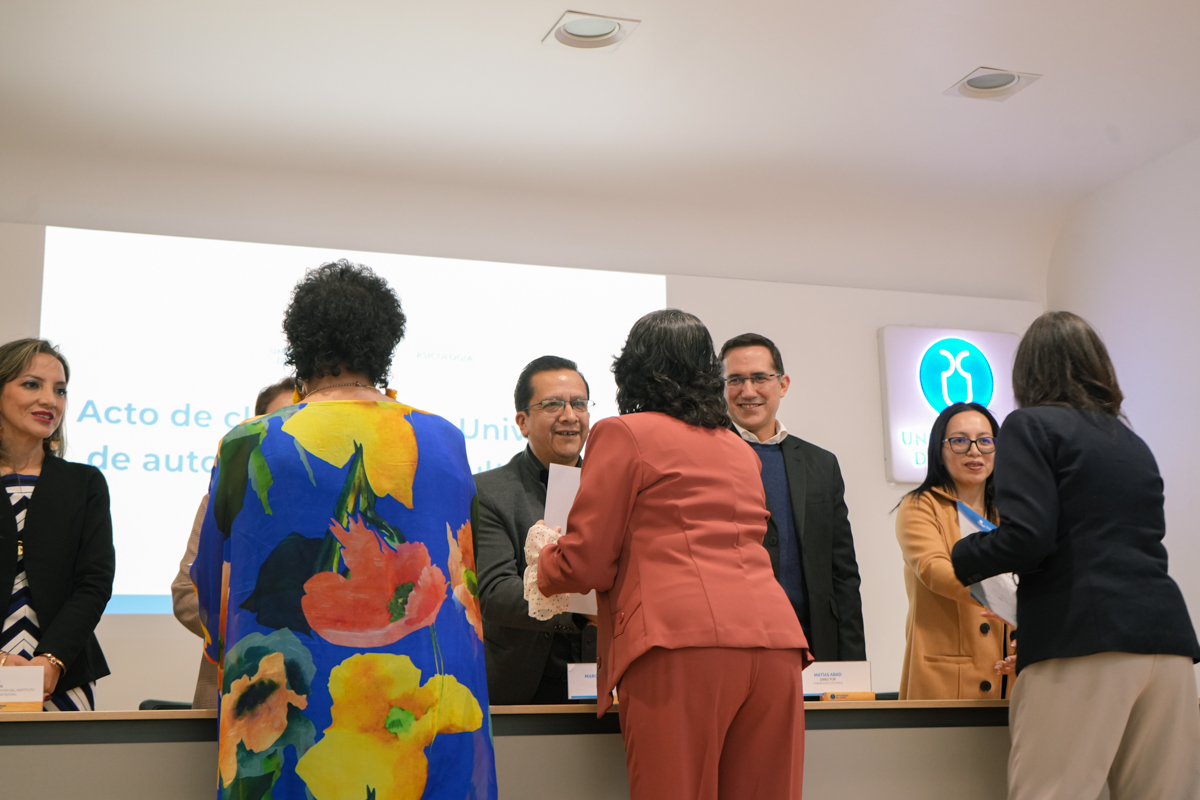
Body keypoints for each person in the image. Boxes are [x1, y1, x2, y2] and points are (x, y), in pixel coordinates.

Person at [191, 261, 497, 800]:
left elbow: (213, 585)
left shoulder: (249, 442)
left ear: (299, 344)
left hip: (294, 696)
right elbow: (466, 580)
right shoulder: (443, 438)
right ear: (384, 345)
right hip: (430, 694)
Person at [534, 310, 810, 800]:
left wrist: (544, 563)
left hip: (681, 645)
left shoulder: (623, 432)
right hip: (776, 646)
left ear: (631, 368)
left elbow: (587, 561)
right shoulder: (738, 448)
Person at [951, 311, 1200, 799]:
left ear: (1027, 373)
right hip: (1168, 642)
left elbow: (1029, 537)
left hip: (1082, 639)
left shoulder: (1030, 426)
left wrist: (964, 554)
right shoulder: (1132, 443)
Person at [719, 333, 866, 661]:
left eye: (760, 378)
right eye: (735, 380)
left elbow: (843, 574)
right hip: (734, 647)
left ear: (783, 384)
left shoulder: (821, 464)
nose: (748, 391)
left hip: (815, 646)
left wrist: (854, 663)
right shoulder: (703, 458)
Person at [474, 356, 596, 704]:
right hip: (522, 686)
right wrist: (579, 611)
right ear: (522, 421)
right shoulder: (489, 491)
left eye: (579, 404)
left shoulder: (613, 488)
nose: (570, 415)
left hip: (605, 680)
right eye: (553, 404)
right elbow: (495, 593)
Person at [0, 338, 114, 711]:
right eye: (32, 384)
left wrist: (51, 660)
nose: (50, 400)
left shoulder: (84, 483)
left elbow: (94, 583)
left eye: (60, 390)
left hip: (62, 675)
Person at [170, 377, 295, 710]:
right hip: (229, 694)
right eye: (280, 423)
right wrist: (254, 631)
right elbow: (185, 595)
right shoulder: (223, 499)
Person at [895, 401, 1013, 699]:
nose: (975, 451)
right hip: (946, 680)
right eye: (960, 441)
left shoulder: (1013, 512)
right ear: (940, 449)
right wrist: (1001, 598)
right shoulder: (920, 505)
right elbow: (934, 570)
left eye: (985, 441)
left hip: (1009, 680)